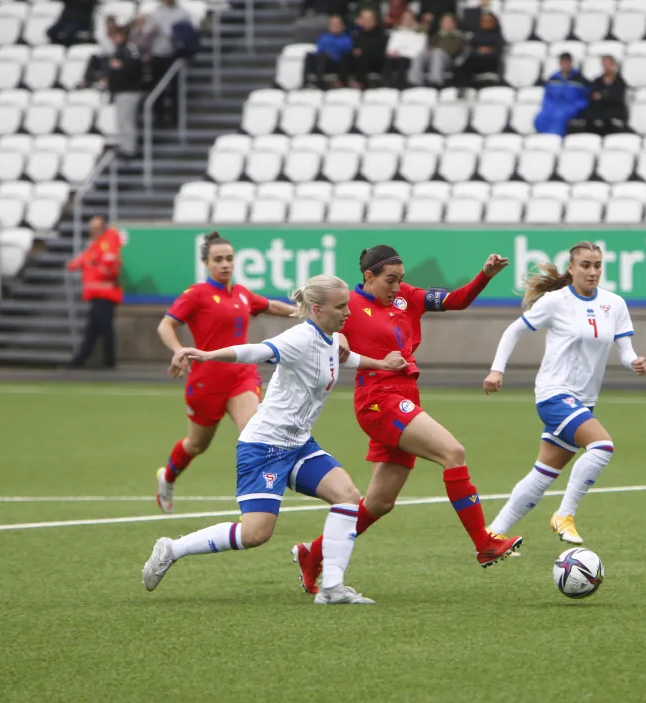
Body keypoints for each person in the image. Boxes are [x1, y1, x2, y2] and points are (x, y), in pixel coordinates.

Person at [142, 275, 410, 604]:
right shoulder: (298, 338)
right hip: (264, 447)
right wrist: (209, 355)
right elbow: (255, 351)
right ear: (317, 309)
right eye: (341, 307)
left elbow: (343, 358)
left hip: (298, 444)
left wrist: (381, 364)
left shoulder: (330, 336)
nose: (347, 313)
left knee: (347, 496)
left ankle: (332, 588)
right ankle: (172, 548)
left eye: (347, 306)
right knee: (255, 534)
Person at [290, 245, 523, 595]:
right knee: (453, 452)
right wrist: (338, 340)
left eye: (400, 279)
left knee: (380, 502)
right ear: (368, 277)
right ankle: (483, 543)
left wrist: (484, 276)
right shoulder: (348, 304)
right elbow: (327, 329)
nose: (398, 287)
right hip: (378, 401)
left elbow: (456, 300)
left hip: (404, 397)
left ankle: (313, 553)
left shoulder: (407, 297)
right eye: (390, 280)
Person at [483, 241, 646, 545]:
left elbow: (625, 350)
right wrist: (497, 370)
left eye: (597, 265)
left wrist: (634, 362)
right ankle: (564, 515)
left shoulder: (614, 304)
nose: (592, 271)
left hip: (583, 401)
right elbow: (513, 331)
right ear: (571, 268)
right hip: (553, 395)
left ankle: (493, 533)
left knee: (543, 472)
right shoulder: (556, 302)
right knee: (602, 446)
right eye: (585, 265)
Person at [154, 232, 297, 513]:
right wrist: (178, 350)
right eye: (218, 259)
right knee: (196, 445)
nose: (225, 264)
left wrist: (303, 311)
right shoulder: (196, 294)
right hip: (206, 382)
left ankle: (257, 503)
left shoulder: (242, 294)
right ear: (206, 263)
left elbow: (270, 306)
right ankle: (167, 477)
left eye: (229, 258)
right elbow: (165, 325)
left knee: (255, 432)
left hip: (241, 378)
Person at [66, 216, 123, 368]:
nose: (92, 231)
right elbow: (77, 263)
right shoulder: (94, 246)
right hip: (96, 294)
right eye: (91, 227)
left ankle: (104, 361)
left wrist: (94, 264)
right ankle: (84, 359)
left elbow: (108, 265)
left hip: (105, 294)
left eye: (95, 227)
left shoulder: (107, 243)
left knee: (103, 328)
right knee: (94, 328)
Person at [147, 0, 192, 127]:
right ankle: (158, 116)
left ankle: (176, 117)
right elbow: (147, 32)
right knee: (156, 85)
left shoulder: (183, 13)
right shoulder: (154, 13)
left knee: (175, 88)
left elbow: (188, 33)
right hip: (157, 53)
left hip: (174, 54)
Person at [107, 27, 144, 159]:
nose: (115, 38)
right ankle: (123, 145)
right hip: (120, 91)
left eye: (117, 35)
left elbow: (136, 68)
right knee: (120, 120)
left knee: (127, 120)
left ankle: (130, 149)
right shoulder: (117, 50)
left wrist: (121, 66)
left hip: (129, 90)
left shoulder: (130, 50)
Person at [568, 55, 628, 135]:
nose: (606, 67)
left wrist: (602, 96)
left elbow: (616, 97)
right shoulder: (598, 80)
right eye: (604, 65)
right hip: (599, 109)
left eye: (609, 64)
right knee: (588, 115)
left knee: (607, 118)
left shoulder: (620, 82)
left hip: (614, 110)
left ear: (614, 65)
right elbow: (592, 95)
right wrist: (603, 95)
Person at [534, 53, 588, 136]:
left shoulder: (580, 80)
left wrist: (575, 106)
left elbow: (584, 98)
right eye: (563, 63)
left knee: (560, 116)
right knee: (541, 117)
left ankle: (555, 138)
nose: (565, 65)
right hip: (553, 106)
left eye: (567, 63)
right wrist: (548, 106)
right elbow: (547, 97)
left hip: (570, 107)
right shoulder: (553, 79)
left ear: (571, 63)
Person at [414, 12, 465, 87]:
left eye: (449, 22)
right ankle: (414, 81)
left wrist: (437, 50)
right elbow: (429, 46)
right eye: (444, 21)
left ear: (454, 24)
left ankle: (435, 82)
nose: (446, 24)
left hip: (449, 60)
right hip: (432, 57)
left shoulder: (458, 37)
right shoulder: (436, 36)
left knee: (437, 52)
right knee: (421, 53)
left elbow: (454, 50)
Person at [303, 15, 354, 89]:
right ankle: (305, 82)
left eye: (337, 24)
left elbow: (345, 50)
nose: (335, 26)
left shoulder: (347, 38)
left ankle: (320, 82)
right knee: (309, 55)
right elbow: (319, 50)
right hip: (322, 61)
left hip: (337, 63)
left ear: (342, 26)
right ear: (329, 26)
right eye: (333, 24)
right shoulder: (323, 37)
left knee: (322, 56)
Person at [456, 12, 503, 89]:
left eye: (488, 20)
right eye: (484, 20)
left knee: (470, 61)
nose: (486, 22)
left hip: (490, 61)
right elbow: (470, 47)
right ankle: (460, 87)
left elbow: (499, 51)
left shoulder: (497, 36)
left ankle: (463, 86)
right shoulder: (477, 35)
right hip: (475, 58)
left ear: (494, 22)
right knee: (460, 63)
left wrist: (489, 50)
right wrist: (478, 50)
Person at [383, 10, 427, 88]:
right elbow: (390, 47)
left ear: (413, 19)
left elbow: (419, 50)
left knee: (402, 60)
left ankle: (400, 85)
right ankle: (386, 85)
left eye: (409, 18)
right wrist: (392, 52)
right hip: (396, 56)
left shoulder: (420, 33)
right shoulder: (396, 32)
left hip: (411, 58)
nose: (406, 20)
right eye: (404, 18)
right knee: (387, 59)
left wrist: (401, 53)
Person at [349, 8, 388, 89]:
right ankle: (343, 82)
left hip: (377, 62)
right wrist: (354, 51)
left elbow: (381, 51)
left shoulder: (381, 34)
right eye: (365, 19)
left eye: (370, 19)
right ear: (360, 20)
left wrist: (362, 51)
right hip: (361, 62)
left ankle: (360, 83)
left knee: (363, 56)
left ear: (375, 20)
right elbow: (354, 48)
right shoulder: (357, 34)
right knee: (346, 57)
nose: (367, 21)